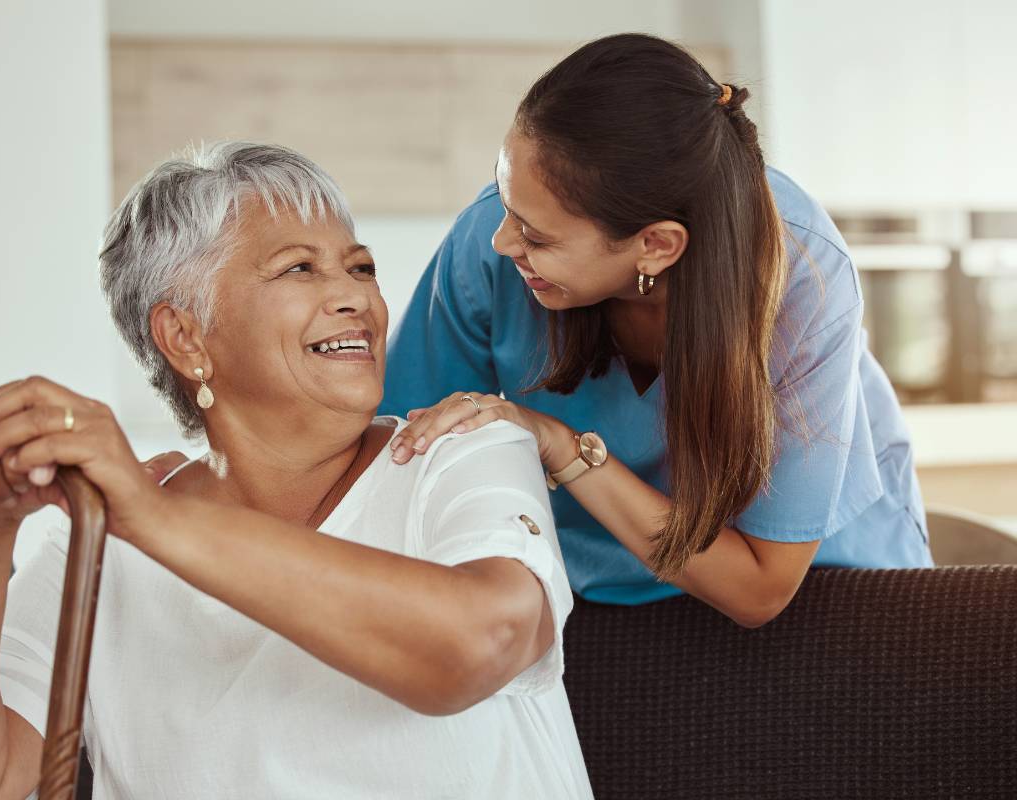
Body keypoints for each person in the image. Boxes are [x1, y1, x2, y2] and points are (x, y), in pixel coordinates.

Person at [0, 143, 593, 799]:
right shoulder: (97, 543)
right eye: (300, 268)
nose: (357, 298)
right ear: (184, 336)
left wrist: (156, 520)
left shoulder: (462, 449)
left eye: (359, 266)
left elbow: (479, 645)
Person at [382, 33, 933, 627]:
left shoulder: (803, 274)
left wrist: (559, 445)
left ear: (655, 245)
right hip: (581, 589)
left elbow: (758, 589)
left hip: (816, 585)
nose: (500, 240)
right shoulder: (489, 244)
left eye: (536, 237)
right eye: (505, 202)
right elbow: (404, 467)